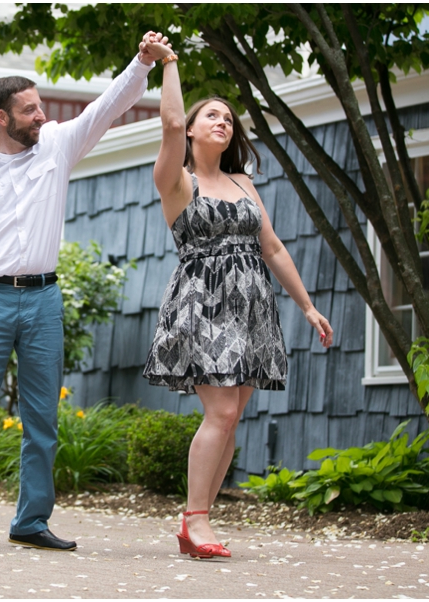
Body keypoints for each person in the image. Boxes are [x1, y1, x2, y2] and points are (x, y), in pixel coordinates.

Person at [0, 32, 170, 553]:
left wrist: (141, 62)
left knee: (42, 417)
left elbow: (107, 106)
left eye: (40, 107)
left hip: (43, 300)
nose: (41, 116)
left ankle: (30, 522)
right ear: (1, 118)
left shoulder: (57, 144)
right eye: (29, 110)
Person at [141, 35, 335, 559]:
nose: (222, 122)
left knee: (233, 415)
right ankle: (194, 520)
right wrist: (172, 63)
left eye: (228, 118)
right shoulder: (175, 180)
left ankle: (197, 519)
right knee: (221, 412)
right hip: (203, 303)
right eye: (212, 116)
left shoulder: (244, 183)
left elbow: (271, 247)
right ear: (195, 129)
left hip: (251, 304)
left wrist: (308, 305)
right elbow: (171, 125)